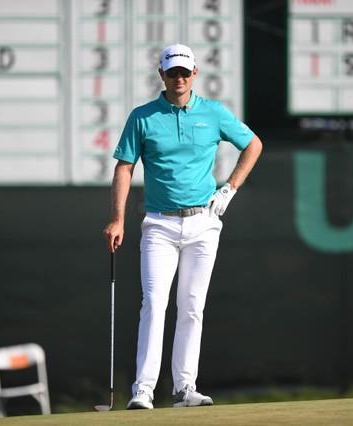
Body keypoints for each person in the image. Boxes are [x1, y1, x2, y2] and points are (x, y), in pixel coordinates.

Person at [102, 43, 262, 409]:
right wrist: (117, 218)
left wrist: (229, 189)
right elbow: (124, 167)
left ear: (195, 74)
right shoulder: (143, 117)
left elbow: (253, 145)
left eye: (184, 72)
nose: (179, 78)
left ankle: (184, 388)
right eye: (172, 72)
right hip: (159, 225)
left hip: (204, 223)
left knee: (191, 306)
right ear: (162, 74)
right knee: (154, 304)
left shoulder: (213, 112)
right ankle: (143, 389)